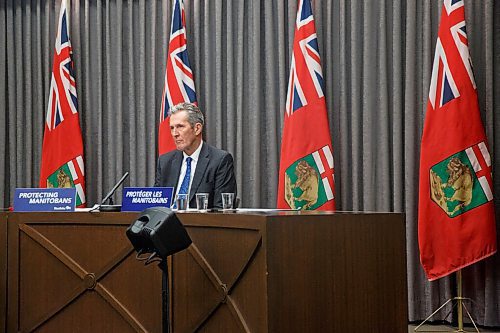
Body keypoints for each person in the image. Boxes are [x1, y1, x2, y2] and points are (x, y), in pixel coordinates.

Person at [154, 102, 237, 209]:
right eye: (172, 128)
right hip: (166, 223)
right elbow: (156, 201)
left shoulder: (220, 160)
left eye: (180, 126)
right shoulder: (165, 161)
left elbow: (221, 208)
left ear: (197, 128)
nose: (175, 133)